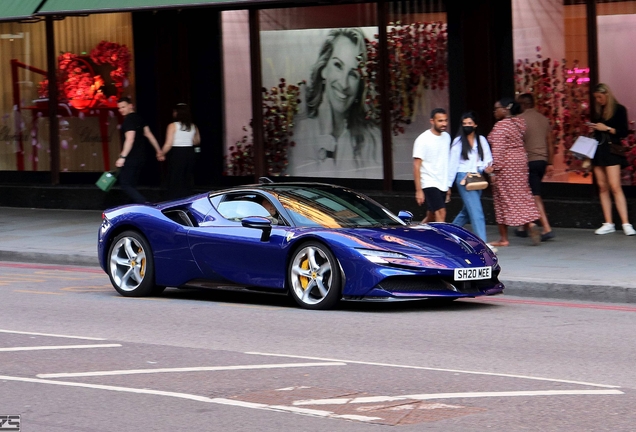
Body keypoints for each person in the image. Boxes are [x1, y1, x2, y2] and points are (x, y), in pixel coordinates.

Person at [288, 28, 381, 178]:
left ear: (361, 85)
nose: (344, 84)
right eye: (338, 65)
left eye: (353, 74)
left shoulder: (372, 139)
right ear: (324, 69)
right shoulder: (302, 131)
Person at [487, 98, 541, 246]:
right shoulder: (518, 124)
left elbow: (498, 151)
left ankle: (504, 239)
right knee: (522, 195)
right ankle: (530, 223)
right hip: (520, 162)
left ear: (505, 109)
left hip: (506, 165)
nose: (494, 112)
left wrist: (494, 168)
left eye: (496, 108)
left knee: (503, 199)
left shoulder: (501, 127)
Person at [588, 83, 635, 236]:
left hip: (612, 149)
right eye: (596, 98)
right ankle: (608, 222)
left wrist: (606, 128)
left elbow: (623, 133)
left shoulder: (619, 110)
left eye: (600, 97)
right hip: (598, 149)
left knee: (615, 186)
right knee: (602, 186)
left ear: (607, 94)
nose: (598, 100)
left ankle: (626, 223)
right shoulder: (597, 111)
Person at [448, 111, 493, 244]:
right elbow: (452, 164)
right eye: (464, 123)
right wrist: (448, 186)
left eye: (469, 123)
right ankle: (483, 244)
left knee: (467, 212)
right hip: (464, 178)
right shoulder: (458, 142)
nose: (467, 126)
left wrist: (487, 169)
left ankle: (448, 234)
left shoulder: (481, 140)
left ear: (475, 124)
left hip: (478, 178)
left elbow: (488, 159)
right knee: (477, 213)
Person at [515, 93, 555, 241]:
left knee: (534, 195)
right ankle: (524, 226)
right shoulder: (544, 119)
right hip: (542, 161)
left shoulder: (519, 120)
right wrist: (550, 163)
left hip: (529, 161)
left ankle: (546, 227)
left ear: (523, 104)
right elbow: (550, 143)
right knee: (529, 193)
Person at [115, 97, 163, 204]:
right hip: (141, 157)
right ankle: (134, 207)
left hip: (131, 157)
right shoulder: (139, 118)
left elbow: (130, 139)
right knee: (131, 184)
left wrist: (122, 157)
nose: (121, 110)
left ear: (130, 105)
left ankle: (144, 203)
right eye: (119, 108)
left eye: (123, 107)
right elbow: (149, 135)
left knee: (126, 184)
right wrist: (158, 150)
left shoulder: (129, 120)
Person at [413, 108, 451, 223]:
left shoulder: (447, 137)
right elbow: (416, 166)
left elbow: (445, 162)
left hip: (442, 182)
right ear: (432, 121)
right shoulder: (423, 140)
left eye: (445, 120)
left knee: (431, 216)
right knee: (441, 213)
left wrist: (448, 185)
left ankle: (417, 236)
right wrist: (418, 190)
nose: (444, 124)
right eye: (440, 121)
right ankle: (441, 241)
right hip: (429, 182)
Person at [161, 103, 201, 200]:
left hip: (177, 153)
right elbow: (197, 141)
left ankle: (174, 198)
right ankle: (187, 197)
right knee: (187, 177)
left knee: (175, 176)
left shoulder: (172, 126)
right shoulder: (193, 126)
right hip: (189, 152)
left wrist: (161, 153)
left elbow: (168, 143)